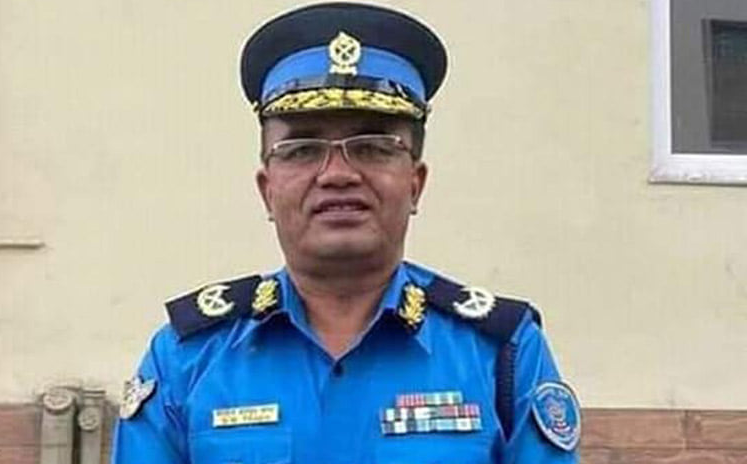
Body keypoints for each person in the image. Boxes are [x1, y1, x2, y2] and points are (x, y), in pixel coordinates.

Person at [112, 3, 581, 463]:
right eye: (302, 149)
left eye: (373, 146)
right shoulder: (186, 359)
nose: (337, 174)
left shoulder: (502, 355)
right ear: (267, 190)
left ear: (415, 184)